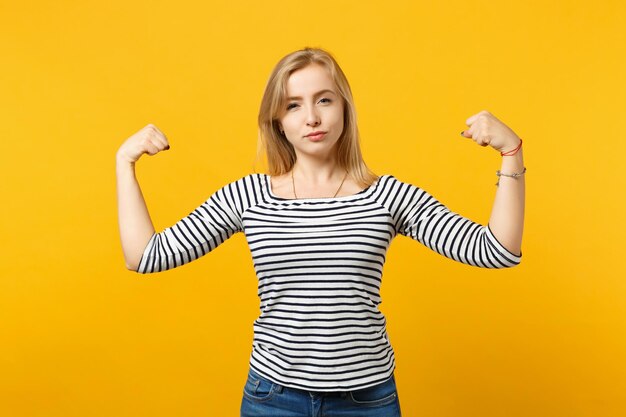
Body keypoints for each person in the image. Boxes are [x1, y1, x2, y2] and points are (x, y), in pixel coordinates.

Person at [116, 47, 525, 417]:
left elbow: (496, 250)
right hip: (272, 399)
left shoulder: (385, 196)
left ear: (344, 109)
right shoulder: (249, 196)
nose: (311, 117)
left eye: (324, 100)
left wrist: (511, 153)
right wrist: (124, 163)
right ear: (277, 122)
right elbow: (146, 256)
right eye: (293, 105)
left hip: (367, 401)